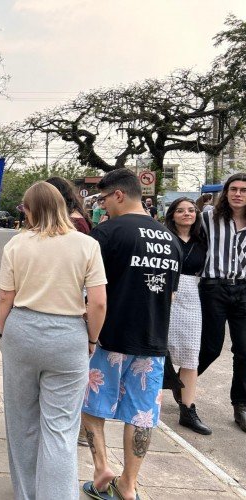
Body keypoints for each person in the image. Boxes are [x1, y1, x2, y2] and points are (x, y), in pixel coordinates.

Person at [0, 182, 107, 500]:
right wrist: (91, 339)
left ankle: (27, 494)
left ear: (30, 210)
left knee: (22, 422)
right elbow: (98, 302)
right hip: (68, 335)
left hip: (23, 330)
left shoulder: (17, 244)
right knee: (61, 427)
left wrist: (5, 333)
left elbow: (6, 296)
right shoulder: (86, 245)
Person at [81, 169, 181, 500]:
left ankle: (101, 470)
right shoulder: (170, 239)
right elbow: (169, 296)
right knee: (141, 414)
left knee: (92, 404)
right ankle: (128, 485)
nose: (102, 206)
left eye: (104, 199)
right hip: (152, 340)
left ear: (119, 195)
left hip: (108, 337)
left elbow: (91, 290)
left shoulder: (106, 233)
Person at [197, 172, 246, 433]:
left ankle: (241, 405)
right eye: (233, 189)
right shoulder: (209, 216)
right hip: (214, 288)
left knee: (244, 349)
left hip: (243, 289)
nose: (238, 194)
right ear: (226, 192)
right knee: (211, 347)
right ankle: (182, 386)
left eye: (243, 190)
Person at [163, 197, 211, 434]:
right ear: (172, 215)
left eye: (191, 210)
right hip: (164, 294)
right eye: (180, 211)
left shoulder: (203, 241)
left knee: (191, 354)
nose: (186, 214)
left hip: (191, 296)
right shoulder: (164, 238)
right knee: (159, 350)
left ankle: (188, 409)